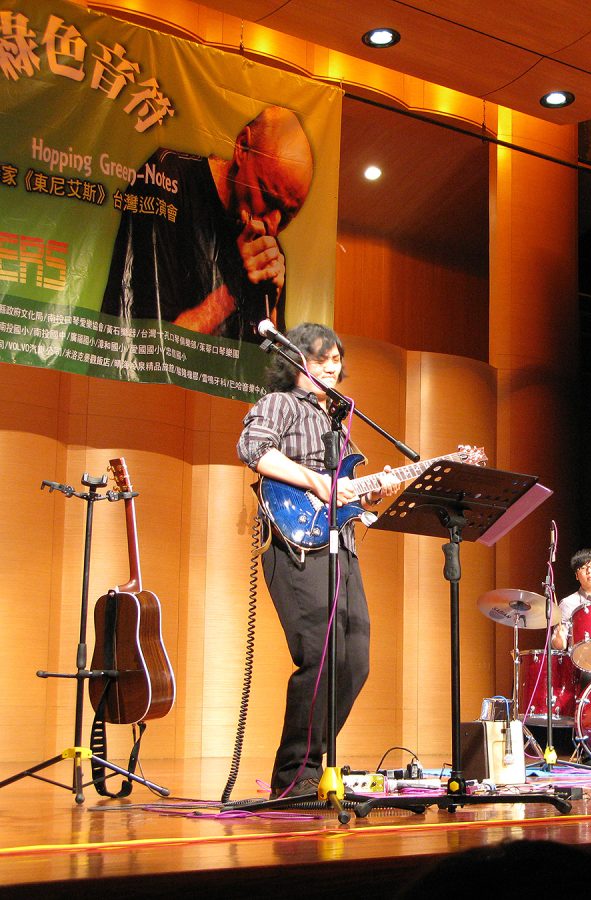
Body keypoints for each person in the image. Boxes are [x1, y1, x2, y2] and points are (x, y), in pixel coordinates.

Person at [236, 322, 402, 798]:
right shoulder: (280, 403)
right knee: (321, 656)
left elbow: (343, 492)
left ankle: (316, 761)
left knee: (355, 660)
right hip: (294, 541)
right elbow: (252, 449)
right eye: (321, 358)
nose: (332, 367)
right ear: (295, 361)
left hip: (339, 544)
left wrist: (371, 490)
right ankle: (295, 776)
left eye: (336, 359)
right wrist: (316, 481)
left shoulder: (336, 420)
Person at [103, 105, 314, 342]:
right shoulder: (166, 180)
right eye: (266, 195)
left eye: (287, 214)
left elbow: (269, 362)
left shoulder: (268, 249)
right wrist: (234, 290)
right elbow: (145, 344)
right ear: (243, 147)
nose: (272, 225)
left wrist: (271, 308)